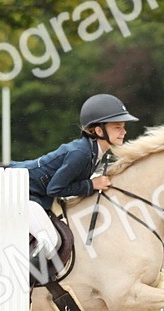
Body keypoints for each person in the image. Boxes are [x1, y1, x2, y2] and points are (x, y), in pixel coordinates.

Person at [12, 94, 139, 270]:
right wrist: (91, 185)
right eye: (117, 127)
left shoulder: (95, 153)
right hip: (19, 191)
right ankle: (22, 288)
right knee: (49, 240)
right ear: (99, 131)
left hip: (37, 195)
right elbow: (54, 189)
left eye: (123, 127)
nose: (124, 132)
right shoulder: (81, 153)